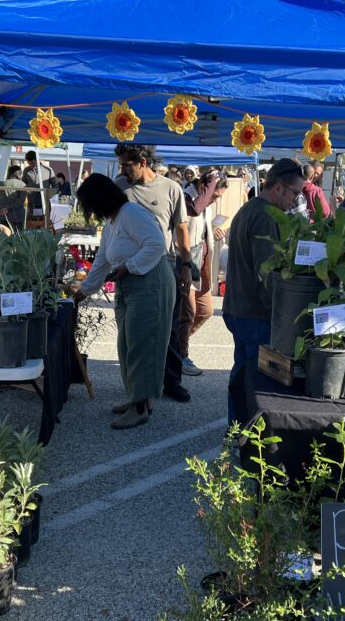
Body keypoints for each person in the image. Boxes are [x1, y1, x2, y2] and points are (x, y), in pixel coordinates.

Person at [73, 174, 174, 430]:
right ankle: (137, 399)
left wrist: (128, 267)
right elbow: (103, 261)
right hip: (130, 283)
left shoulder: (131, 213)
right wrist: (84, 290)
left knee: (142, 343)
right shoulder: (112, 223)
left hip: (151, 281)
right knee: (127, 344)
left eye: (90, 205)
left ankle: (140, 407)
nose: (91, 212)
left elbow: (156, 245)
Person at [223, 158, 305, 423]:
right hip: (254, 313)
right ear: (279, 187)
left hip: (238, 307)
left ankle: (236, 431)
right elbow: (266, 272)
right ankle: (245, 435)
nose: (296, 199)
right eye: (295, 192)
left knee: (242, 375)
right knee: (254, 382)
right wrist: (281, 315)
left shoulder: (249, 209)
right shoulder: (265, 215)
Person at [114, 143, 191, 402]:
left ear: (143, 162)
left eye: (127, 165)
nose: (122, 170)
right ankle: (138, 391)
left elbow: (181, 230)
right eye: (121, 164)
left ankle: (171, 381)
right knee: (133, 333)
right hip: (129, 271)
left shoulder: (171, 188)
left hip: (164, 267)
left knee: (168, 330)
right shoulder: (119, 188)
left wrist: (187, 266)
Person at [180, 173, 227, 375]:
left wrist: (214, 230)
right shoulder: (186, 197)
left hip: (202, 263)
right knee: (187, 313)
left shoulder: (205, 201)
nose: (214, 200)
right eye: (214, 196)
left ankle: (175, 347)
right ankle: (181, 355)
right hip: (187, 263)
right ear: (203, 186)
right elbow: (193, 213)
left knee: (206, 311)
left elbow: (200, 225)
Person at [0, 165, 27, 229]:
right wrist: (9, 209)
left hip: (3, 215)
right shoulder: (22, 185)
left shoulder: (2, 183)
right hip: (17, 216)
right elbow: (21, 201)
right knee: (17, 237)